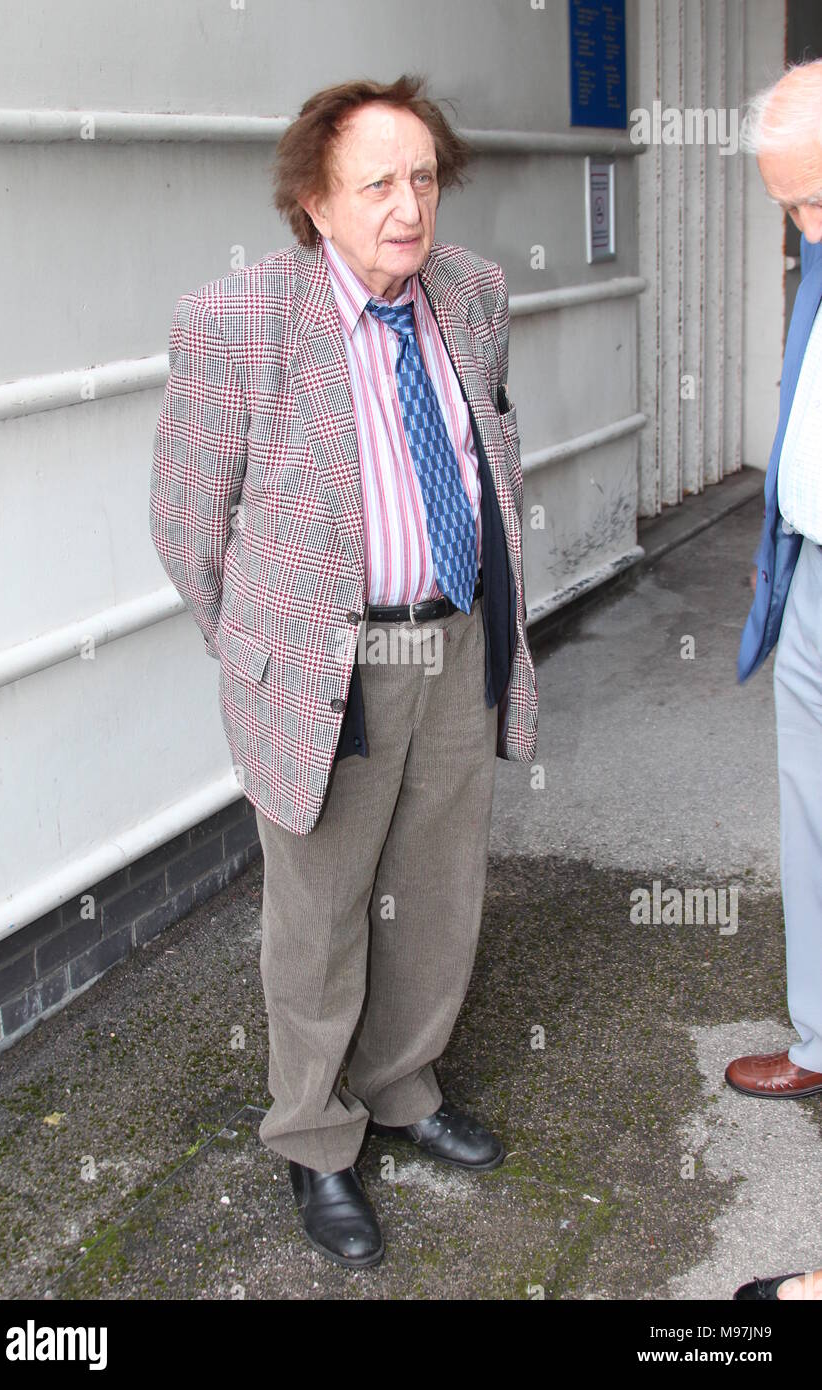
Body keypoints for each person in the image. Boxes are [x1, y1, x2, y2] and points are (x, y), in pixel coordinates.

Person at [149, 74, 537, 1268]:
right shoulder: (237, 321)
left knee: (434, 885)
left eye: (422, 177)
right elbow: (186, 522)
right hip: (330, 658)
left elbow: (489, 447)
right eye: (377, 183)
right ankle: (317, 1140)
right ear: (314, 200)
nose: (408, 206)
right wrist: (263, 648)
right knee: (316, 914)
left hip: (455, 637)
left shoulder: (470, 293)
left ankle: (406, 1086)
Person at [730, 60, 822, 1101]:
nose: (802, 225)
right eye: (785, 203)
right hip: (806, 578)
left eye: (815, 194)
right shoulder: (816, 248)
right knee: (805, 816)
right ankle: (814, 1038)